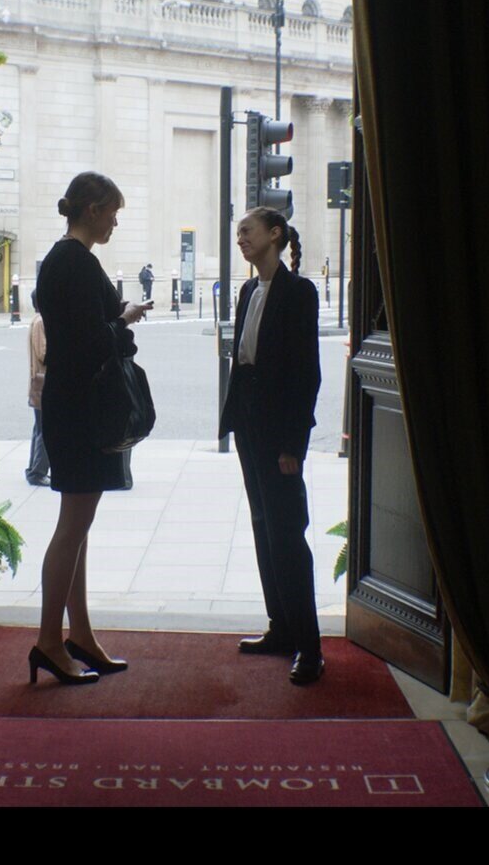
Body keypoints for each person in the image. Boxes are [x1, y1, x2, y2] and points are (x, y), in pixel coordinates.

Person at [28, 172, 151, 685]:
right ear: (93, 209)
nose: (115, 223)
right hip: (80, 408)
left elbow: (76, 332)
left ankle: (78, 634)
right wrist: (125, 320)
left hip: (71, 404)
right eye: (113, 213)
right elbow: (89, 343)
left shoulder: (64, 259)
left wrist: (117, 320)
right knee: (72, 528)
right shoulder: (75, 262)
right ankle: (48, 641)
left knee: (77, 525)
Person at [218, 206, 325, 685]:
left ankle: (309, 647)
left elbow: (306, 374)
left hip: (279, 431)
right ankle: (281, 627)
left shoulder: (299, 292)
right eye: (239, 232)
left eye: (247, 231)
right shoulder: (247, 290)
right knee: (263, 526)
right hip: (248, 424)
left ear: (274, 234)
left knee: (286, 533)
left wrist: (292, 446)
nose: (240, 238)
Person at [25, 291, 50, 486]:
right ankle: (38, 472)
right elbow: (44, 353)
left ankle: (34, 469)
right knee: (46, 429)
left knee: (40, 427)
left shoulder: (37, 320)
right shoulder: (41, 322)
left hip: (39, 382)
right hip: (44, 382)